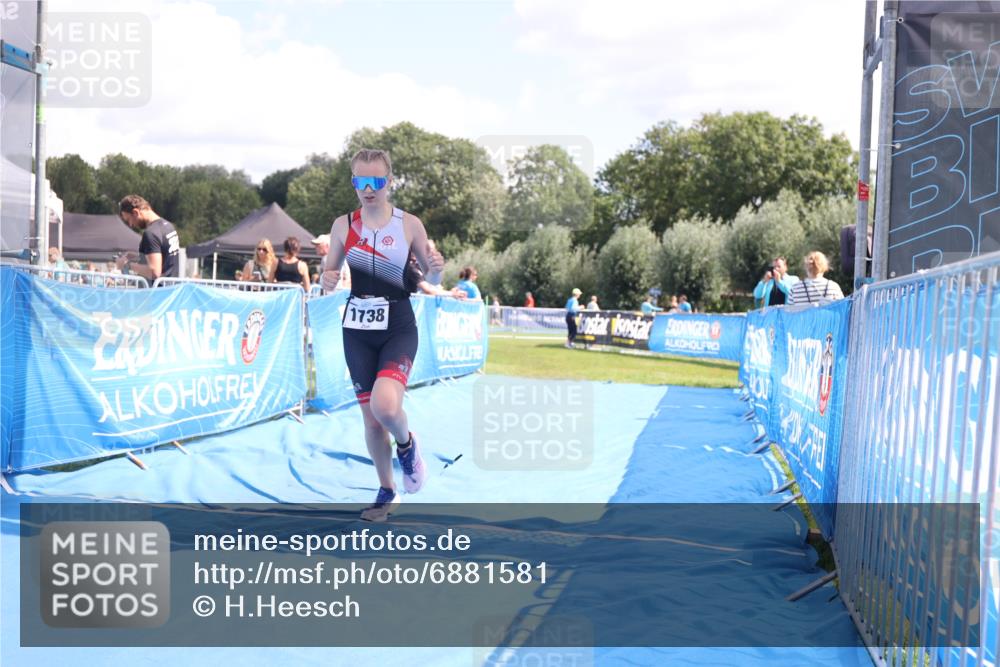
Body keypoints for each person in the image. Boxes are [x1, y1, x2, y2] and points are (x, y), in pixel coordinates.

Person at [319, 148, 444, 521]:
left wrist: (437, 270)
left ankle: (407, 445)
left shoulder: (409, 224)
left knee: (386, 407)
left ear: (389, 182)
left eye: (376, 182)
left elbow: (430, 279)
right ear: (354, 182)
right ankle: (387, 491)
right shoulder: (343, 225)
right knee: (371, 421)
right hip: (357, 329)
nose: (368, 189)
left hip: (398, 325)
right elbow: (330, 278)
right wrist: (327, 279)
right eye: (361, 181)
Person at [116, 195, 180, 282]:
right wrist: (139, 256)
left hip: (158, 292)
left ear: (135, 212)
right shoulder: (168, 226)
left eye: (128, 220)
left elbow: (154, 272)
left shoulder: (151, 234)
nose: (131, 225)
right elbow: (164, 257)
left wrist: (127, 265)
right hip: (172, 289)